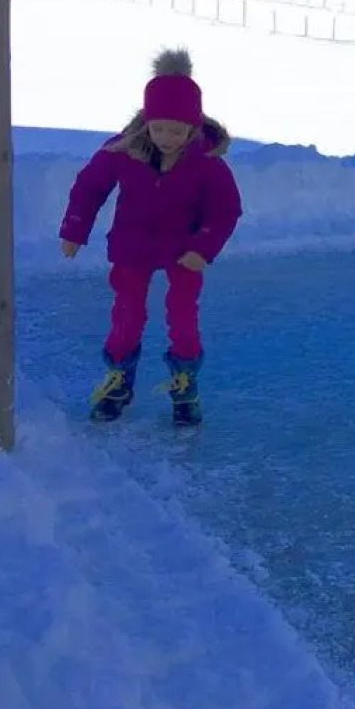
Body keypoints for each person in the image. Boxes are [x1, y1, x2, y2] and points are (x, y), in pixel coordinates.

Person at [58, 48, 243, 426]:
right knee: (127, 314)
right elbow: (90, 186)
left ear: (193, 127)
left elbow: (226, 210)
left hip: (183, 250)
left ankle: (184, 383)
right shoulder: (125, 150)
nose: (166, 138)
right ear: (146, 122)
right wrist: (76, 228)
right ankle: (119, 382)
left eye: (177, 131)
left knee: (183, 318)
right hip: (132, 245)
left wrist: (202, 248)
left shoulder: (207, 162)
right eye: (159, 128)